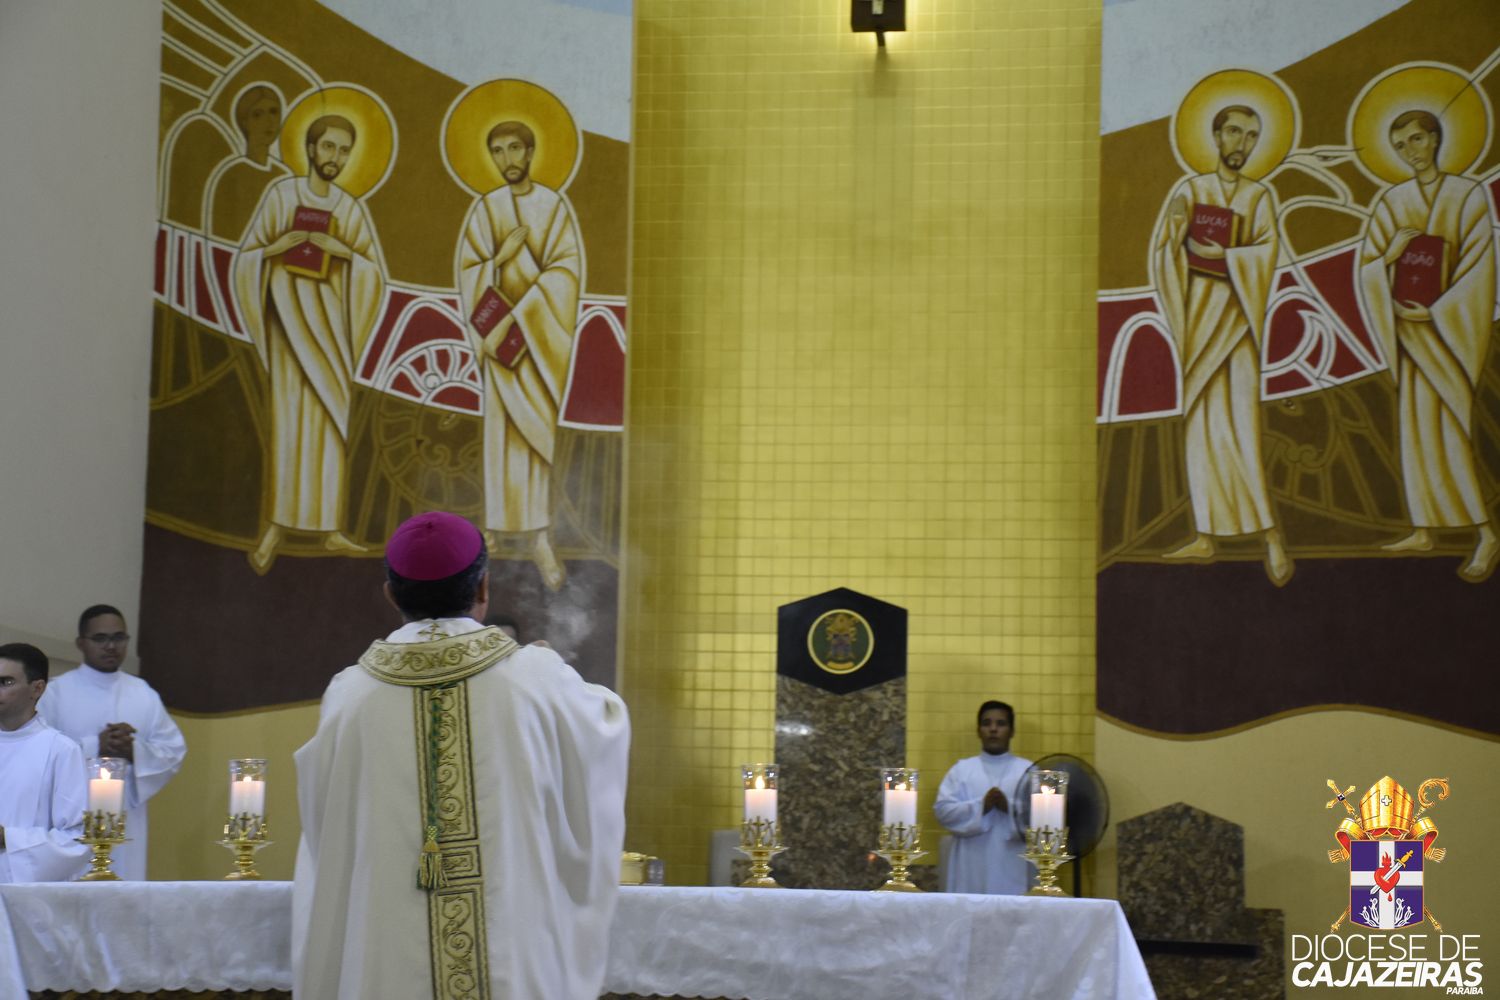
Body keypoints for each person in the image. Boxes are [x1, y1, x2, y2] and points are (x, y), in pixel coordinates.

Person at [293, 511, 629, 999]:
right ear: (483, 587)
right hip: (506, 958)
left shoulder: (350, 695)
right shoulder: (535, 678)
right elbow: (605, 728)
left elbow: (326, 831)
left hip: (384, 958)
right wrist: (553, 672)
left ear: (391, 595)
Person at [234, 113, 386, 572]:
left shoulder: (351, 209)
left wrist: (343, 253)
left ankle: (330, 528)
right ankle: (275, 528)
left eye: (344, 150)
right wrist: (281, 246)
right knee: (289, 427)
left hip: (332, 334)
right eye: (329, 147)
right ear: (311, 148)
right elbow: (247, 258)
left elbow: (374, 274)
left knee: (329, 430)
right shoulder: (281, 195)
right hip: (288, 330)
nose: (335, 157)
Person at [1153, 105, 1293, 585]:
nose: (1241, 143)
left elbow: (1267, 254)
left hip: (1236, 325)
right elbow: (1165, 253)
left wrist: (1227, 255)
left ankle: (1270, 536)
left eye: (1251, 136)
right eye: (1234, 132)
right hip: (1199, 323)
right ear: (1216, 136)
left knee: (1241, 432)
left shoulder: (1259, 196)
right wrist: (1176, 233)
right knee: (1201, 434)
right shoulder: (1190, 190)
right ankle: (1206, 534)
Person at [1358, 110, 1498, 582]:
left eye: (1417, 139)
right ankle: (1424, 527)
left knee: (1453, 431)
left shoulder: (1467, 194)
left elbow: (1479, 267)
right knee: (1416, 430)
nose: (1411, 151)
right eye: (1400, 146)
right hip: (1408, 334)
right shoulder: (1391, 201)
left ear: (1436, 139)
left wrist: (1436, 311)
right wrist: (1390, 257)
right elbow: (1368, 268)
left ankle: (1486, 534)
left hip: (1445, 333)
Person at [456, 120, 584, 591]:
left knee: (535, 440)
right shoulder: (486, 209)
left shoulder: (554, 207)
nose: (507, 159)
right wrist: (498, 259)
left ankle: (539, 537)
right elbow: (469, 270)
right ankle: (491, 531)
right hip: (498, 344)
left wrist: (522, 313)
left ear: (530, 153)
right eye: (497, 151)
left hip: (538, 343)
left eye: (515, 149)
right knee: (500, 436)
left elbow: (566, 274)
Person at [38, 605, 187, 881]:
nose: (111, 646)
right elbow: (39, 752)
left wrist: (134, 751)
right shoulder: (56, 692)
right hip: (72, 816)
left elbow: (173, 750)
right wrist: (96, 746)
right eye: (100, 638)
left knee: (123, 891)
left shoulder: (143, 693)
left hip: (126, 817)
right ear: (81, 643)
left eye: (119, 638)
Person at [0, 642, 89, 883]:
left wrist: (8, 838)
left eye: (5, 682)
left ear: (37, 688)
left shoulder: (61, 750)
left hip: (22, 895)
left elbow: (77, 839)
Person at [934, 701, 1033, 895]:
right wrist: (981, 807)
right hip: (970, 866)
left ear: (1012, 731)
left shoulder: (1028, 771)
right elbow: (943, 811)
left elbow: (1043, 818)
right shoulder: (961, 770)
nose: (993, 729)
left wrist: (1009, 807)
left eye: (1001, 723)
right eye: (987, 723)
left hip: (1015, 862)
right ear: (978, 731)